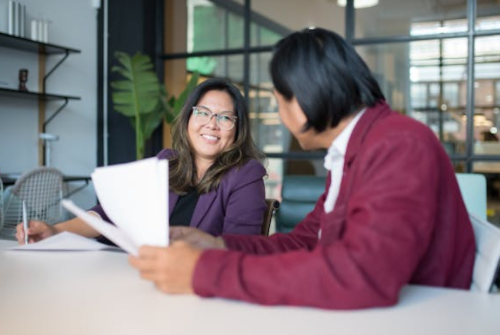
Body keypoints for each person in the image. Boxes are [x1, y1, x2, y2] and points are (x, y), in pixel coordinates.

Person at [129, 28, 476, 310]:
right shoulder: (355, 149)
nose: (281, 116)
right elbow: (305, 241)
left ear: (304, 101)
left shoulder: (398, 144)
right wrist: (217, 245)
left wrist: (203, 271)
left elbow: (362, 276)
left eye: (280, 102)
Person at [17, 78, 268, 243]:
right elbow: (109, 214)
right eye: (203, 113)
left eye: (225, 118)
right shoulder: (166, 162)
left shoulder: (246, 175)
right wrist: (56, 232)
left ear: (237, 129)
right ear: (188, 119)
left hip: (195, 286)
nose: (211, 124)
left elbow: (240, 247)